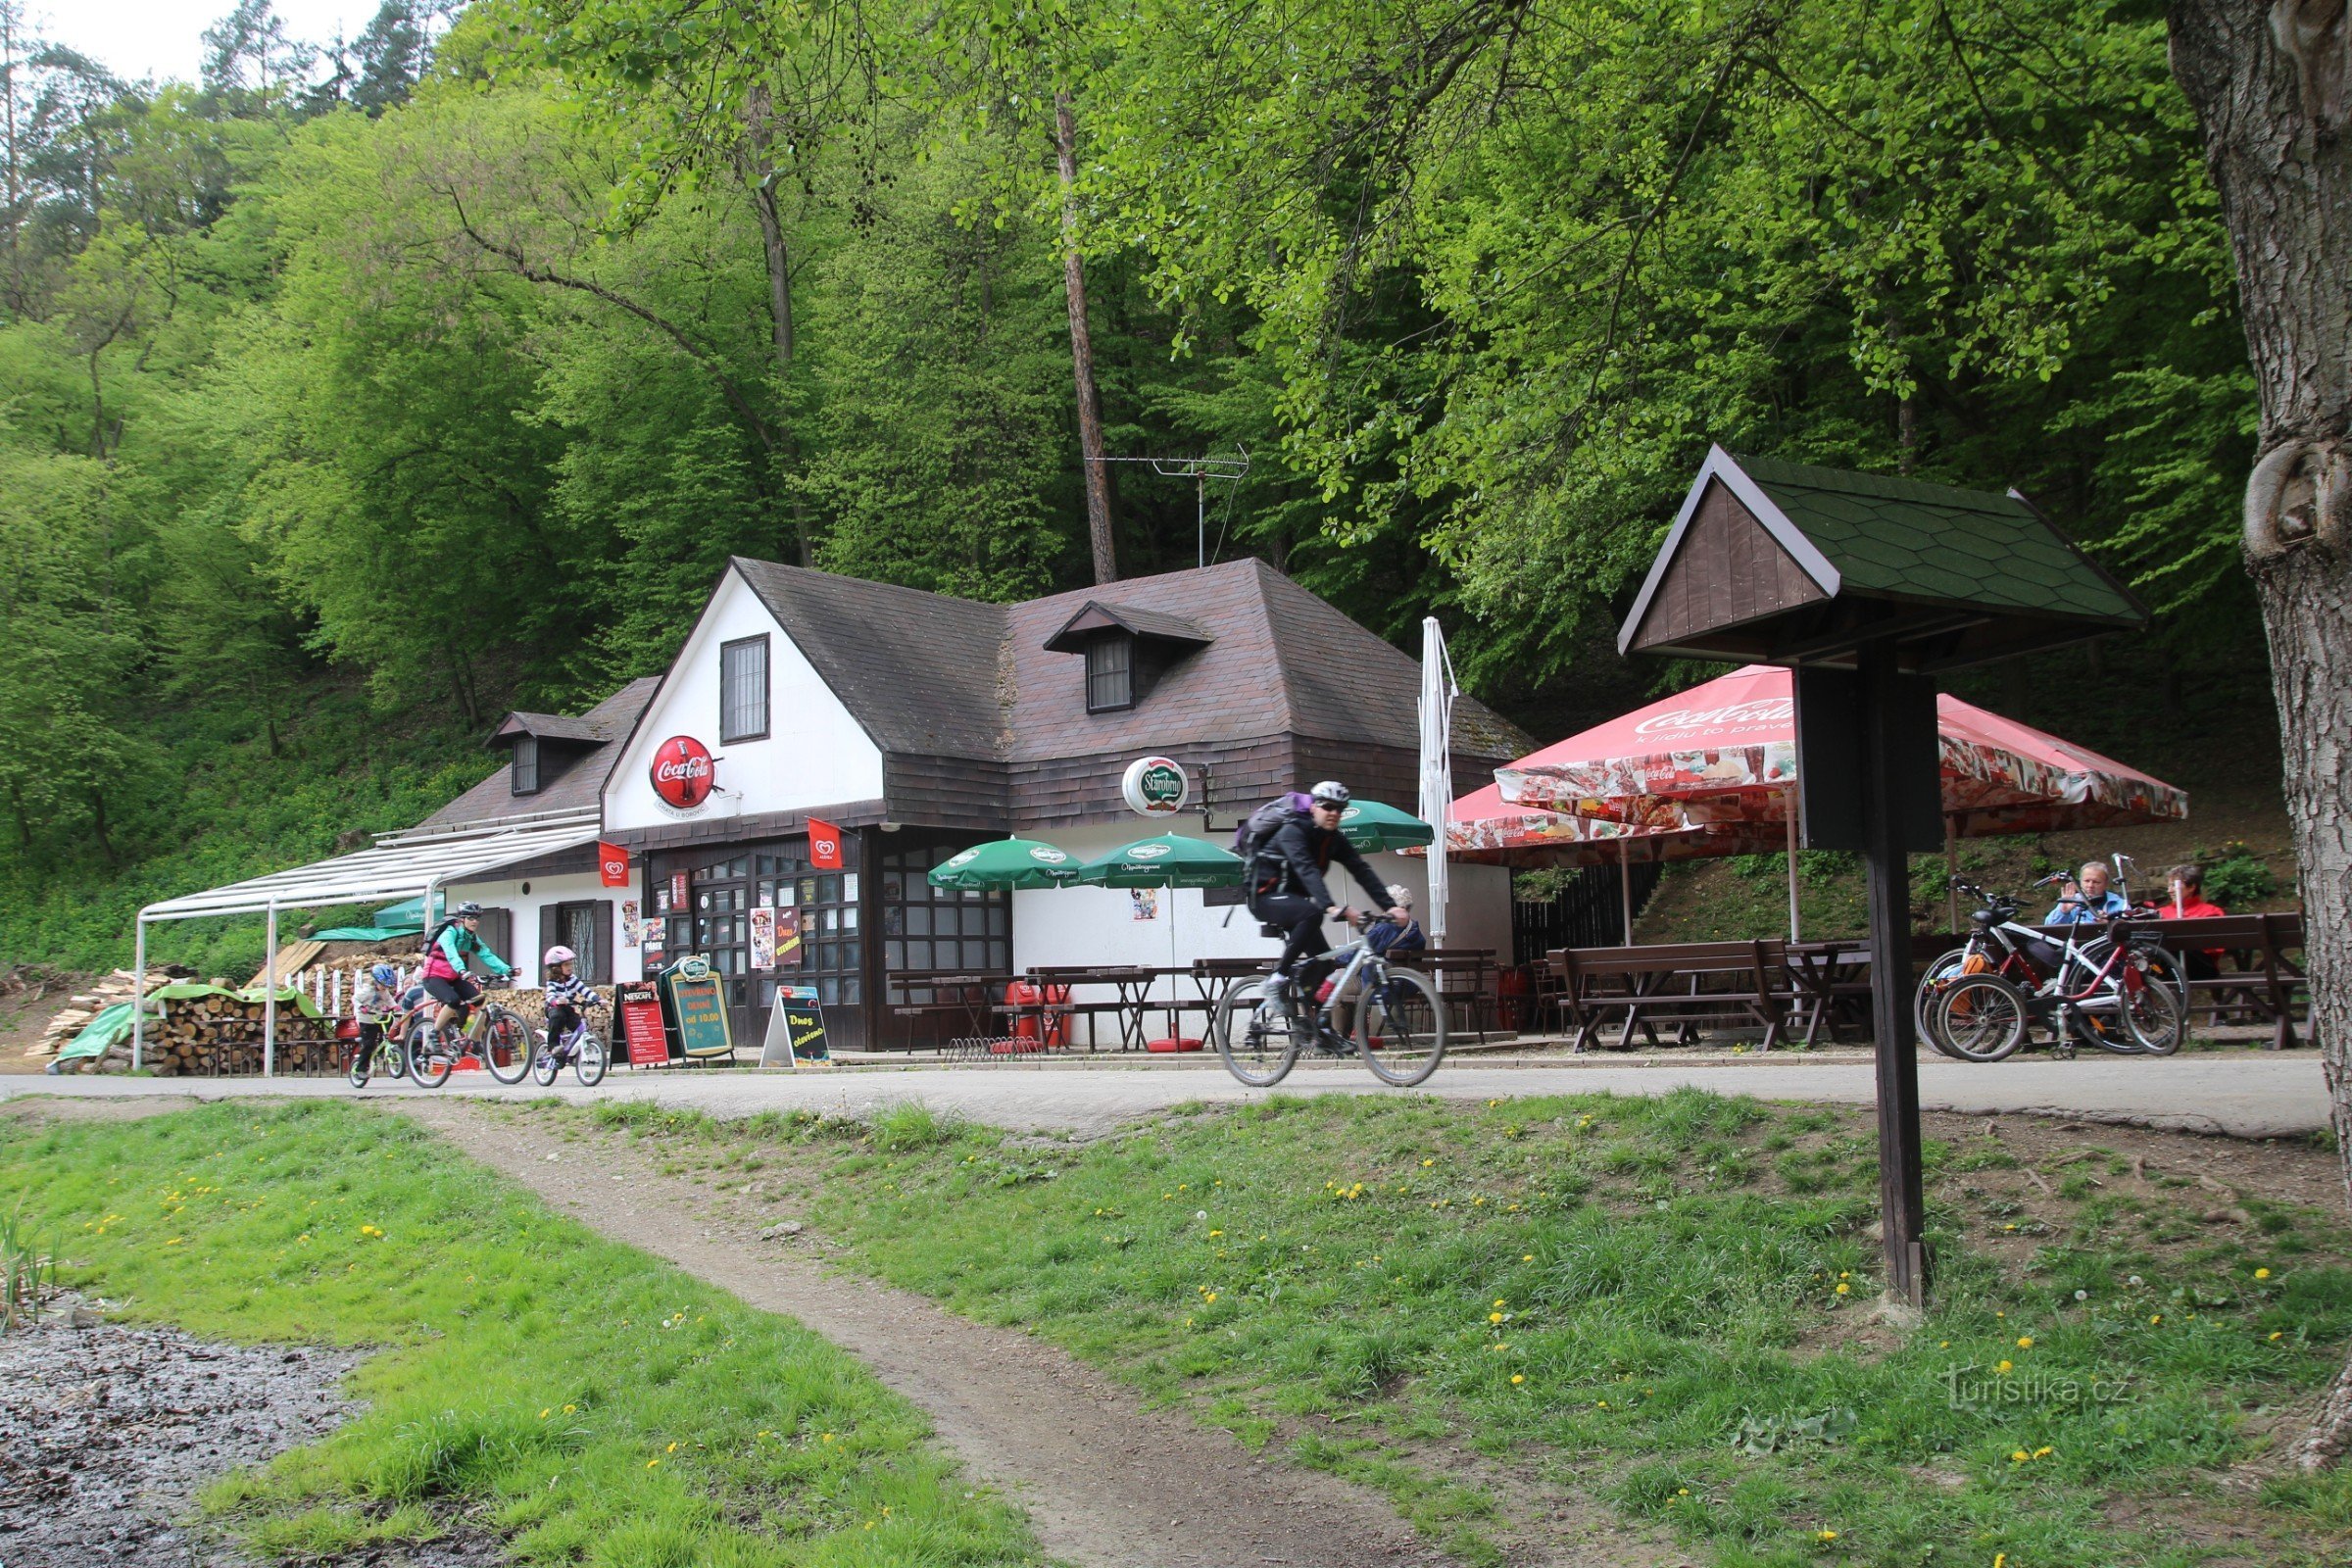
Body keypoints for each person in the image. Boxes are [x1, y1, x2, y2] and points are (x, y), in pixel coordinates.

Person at [1248, 781, 1408, 1017]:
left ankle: (1319, 1031)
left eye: (1340, 809)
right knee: (1311, 913)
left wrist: (1391, 907)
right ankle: (1277, 979)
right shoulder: (1292, 831)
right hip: (1264, 896)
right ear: (1314, 807)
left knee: (1324, 965)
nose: (1334, 813)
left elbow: (1361, 871)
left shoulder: (1334, 839)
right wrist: (1331, 907)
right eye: (1328, 806)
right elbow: (1306, 869)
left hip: (1295, 903)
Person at [419, 902, 513, 1044]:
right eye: (470, 918)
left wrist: (507, 970)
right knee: (453, 1000)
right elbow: (451, 953)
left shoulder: (471, 937)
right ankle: (434, 1034)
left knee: (480, 1002)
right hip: (434, 976)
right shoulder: (450, 932)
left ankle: (472, 1038)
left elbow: (486, 955)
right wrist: (461, 970)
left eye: (476, 918)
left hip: (453, 977)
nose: (475, 921)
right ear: (461, 919)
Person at [539, 944, 603, 1065]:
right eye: (566, 964)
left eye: (571, 964)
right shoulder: (552, 981)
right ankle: (553, 1047)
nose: (570, 967)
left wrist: (598, 999)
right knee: (558, 1017)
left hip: (567, 1008)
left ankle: (573, 1053)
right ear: (556, 967)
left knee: (578, 1026)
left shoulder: (573, 979)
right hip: (554, 1008)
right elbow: (550, 995)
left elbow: (584, 990)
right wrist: (556, 1001)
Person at [2166, 862, 2230, 980]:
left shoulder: (2211, 912)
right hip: (2165, 969)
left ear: (2191, 887)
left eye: (2174, 886)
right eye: (2168, 886)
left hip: (2200, 969)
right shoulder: (2161, 913)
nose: (2169, 890)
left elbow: (2215, 948)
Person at [348, 962, 403, 1087]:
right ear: (376, 981)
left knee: (388, 1029)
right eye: (383, 985)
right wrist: (361, 1007)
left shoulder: (384, 991)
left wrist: (395, 1007)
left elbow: (389, 1000)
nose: (384, 988)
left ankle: (384, 1050)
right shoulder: (366, 991)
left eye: (386, 986)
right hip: (365, 1019)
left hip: (377, 1017)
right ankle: (360, 1069)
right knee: (368, 1044)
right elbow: (354, 999)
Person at [2045, 860, 2130, 925]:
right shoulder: (2072, 900)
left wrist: (2110, 924)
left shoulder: (2119, 904)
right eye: (2086, 881)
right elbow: (2049, 928)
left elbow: (2131, 930)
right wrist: (2063, 911)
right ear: (2080, 882)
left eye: (2096, 882)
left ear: (2106, 884)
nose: (2090, 885)